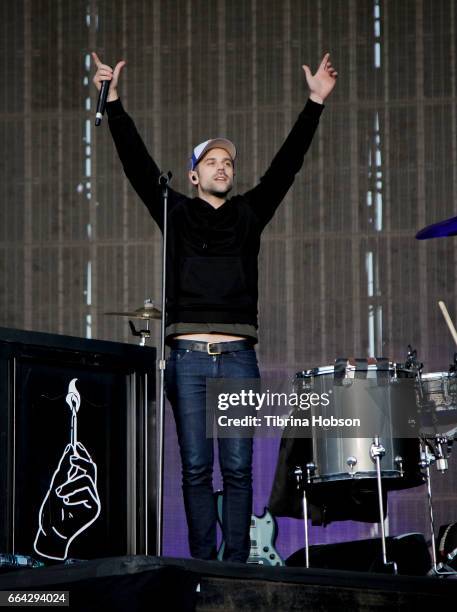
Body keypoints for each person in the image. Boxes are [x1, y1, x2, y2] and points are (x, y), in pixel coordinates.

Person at [92, 51, 337, 562]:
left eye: (228, 162)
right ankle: (201, 567)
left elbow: (285, 167)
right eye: (211, 162)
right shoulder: (175, 212)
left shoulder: (249, 214)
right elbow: (137, 163)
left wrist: (314, 103)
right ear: (194, 175)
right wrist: (113, 102)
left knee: (240, 468)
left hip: (238, 358)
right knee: (197, 468)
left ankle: (235, 569)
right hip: (187, 358)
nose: (222, 167)